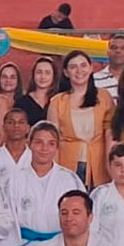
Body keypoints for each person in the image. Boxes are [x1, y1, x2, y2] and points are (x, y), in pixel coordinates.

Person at [6, 123, 86, 246]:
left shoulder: (69, 179)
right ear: (29, 144)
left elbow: (83, 216)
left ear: (57, 147)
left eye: (51, 144)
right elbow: (8, 220)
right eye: (38, 142)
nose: (44, 148)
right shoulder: (15, 179)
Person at [48, 50, 112, 186]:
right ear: (66, 72)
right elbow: (53, 140)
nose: (79, 71)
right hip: (69, 164)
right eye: (73, 67)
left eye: (83, 65)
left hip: (99, 165)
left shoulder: (105, 97)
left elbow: (112, 134)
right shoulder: (57, 102)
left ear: (91, 68)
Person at [18, 56, 58, 126]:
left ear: (54, 76)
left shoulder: (59, 100)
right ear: (33, 75)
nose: (43, 77)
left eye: (47, 73)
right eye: (39, 72)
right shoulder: (22, 102)